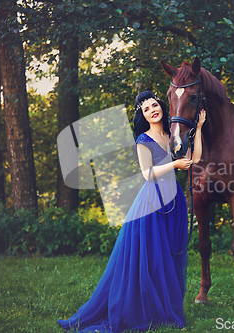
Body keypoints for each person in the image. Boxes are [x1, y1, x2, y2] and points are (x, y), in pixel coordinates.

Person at [57, 90, 205, 333]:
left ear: (161, 106)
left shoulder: (172, 134)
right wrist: (174, 164)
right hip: (152, 202)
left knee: (171, 256)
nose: (152, 110)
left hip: (174, 201)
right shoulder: (143, 140)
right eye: (146, 109)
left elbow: (194, 158)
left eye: (154, 105)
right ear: (143, 115)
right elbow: (147, 174)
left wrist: (198, 128)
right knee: (152, 259)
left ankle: (168, 310)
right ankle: (145, 310)